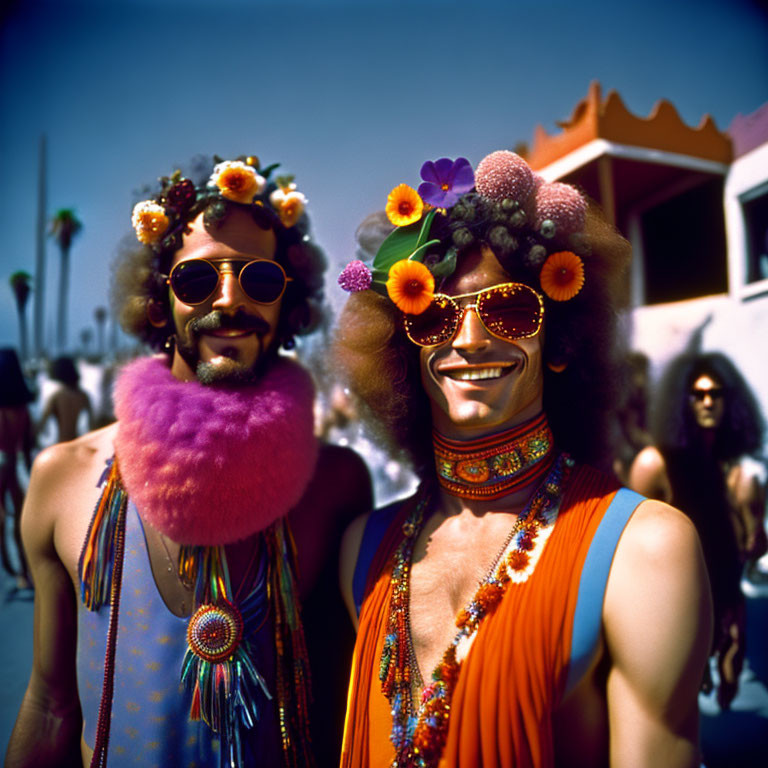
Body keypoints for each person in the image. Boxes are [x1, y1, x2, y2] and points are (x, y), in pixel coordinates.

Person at [334, 151, 712, 767]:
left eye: (509, 309)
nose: (471, 338)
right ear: (404, 353)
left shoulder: (646, 551)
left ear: (559, 340)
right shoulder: (362, 551)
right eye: (433, 317)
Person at [6, 155, 371, 768]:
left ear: (290, 305)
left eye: (259, 281)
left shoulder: (335, 484)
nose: (229, 302)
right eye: (197, 281)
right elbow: (50, 706)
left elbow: (340, 697)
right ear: (158, 302)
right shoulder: (63, 479)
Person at [630, 351, 766, 710]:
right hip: (668, 618)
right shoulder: (655, 464)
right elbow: (631, 554)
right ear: (682, 400)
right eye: (698, 394)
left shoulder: (728, 469)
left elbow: (741, 551)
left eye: (716, 394)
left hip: (720, 609)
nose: (708, 403)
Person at [0, 347, 34, 589]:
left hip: (1, 462)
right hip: (16, 462)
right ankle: (24, 570)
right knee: (20, 520)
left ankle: (11, 568)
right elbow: (27, 445)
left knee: (2, 518)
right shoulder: (22, 407)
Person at [37, 355, 93, 443]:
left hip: (61, 442)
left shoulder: (56, 396)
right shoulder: (84, 396)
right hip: (77, 442)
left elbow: (42, 423)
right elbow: (91, 425)